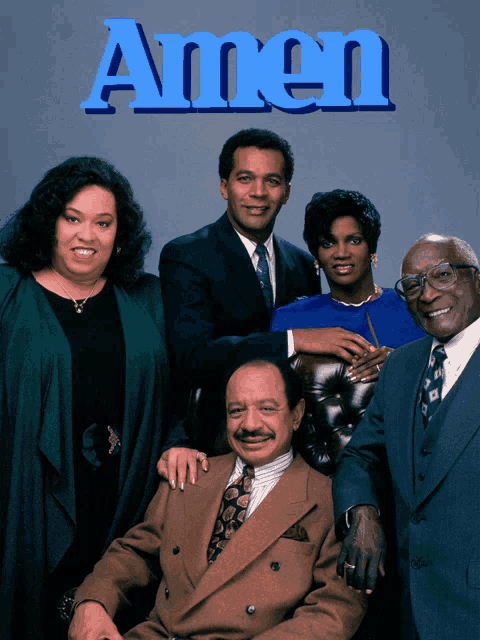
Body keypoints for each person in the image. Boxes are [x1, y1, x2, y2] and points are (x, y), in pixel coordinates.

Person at [69, 359, 365, 640]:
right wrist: (92, 602)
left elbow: (334, 609)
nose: (250, 425)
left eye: (267, 409)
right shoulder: (191, 475)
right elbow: (134, 554)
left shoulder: (328, 499)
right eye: (237, 411)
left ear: (296, 414)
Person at [0, 157, 169, 640]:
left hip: (123, 498)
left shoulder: (147, 298)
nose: (86, 236)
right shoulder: (8, 292)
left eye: (103, 222)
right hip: (28, 495)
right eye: (71, 218)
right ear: (48, 222)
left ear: (120, 233)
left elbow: (184, 387)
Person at [158, 135, 378, 484]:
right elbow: (193, 357)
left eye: (271, 181)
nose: (258, 192)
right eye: (245, 178)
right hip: (214, 442)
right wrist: (295, 339)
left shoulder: (303, 264)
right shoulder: (186, 255)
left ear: (286, 191)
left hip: (292, 450)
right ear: (224, 186)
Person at [333, 234, 480, 640]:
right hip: (406, 608)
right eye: (413, 285)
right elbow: (358, 458)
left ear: (477, 281)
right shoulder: (400, 367)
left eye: (443, 276)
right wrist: (362, 513)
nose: (427, 294)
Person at [271, 190, 424, 383]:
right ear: (316, 256)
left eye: (354, 241)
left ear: (372, 250)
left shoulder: (412, 306)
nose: (341, 253)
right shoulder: (290, 318)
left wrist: (402, 363)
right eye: (328, 243)